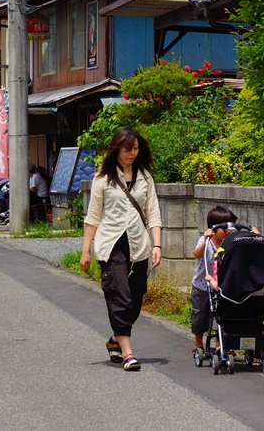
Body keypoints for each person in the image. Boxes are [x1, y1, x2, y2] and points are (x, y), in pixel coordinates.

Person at [80, 127, 162, 372]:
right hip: (111, 244)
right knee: (120, 295)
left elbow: (153, 212)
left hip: (139, 245)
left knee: (136, 298)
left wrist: (157, 244)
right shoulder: (102, 179)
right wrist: (86, 251)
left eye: (135, 148)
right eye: (127, 149)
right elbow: (92, 217)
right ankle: (128, 353)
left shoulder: (145, 177)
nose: (132, 153)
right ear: (116, 149)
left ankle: (116, 339)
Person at [190, 205, 237, 363]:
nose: (228, 231)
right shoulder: (206, 241)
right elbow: (196, 254)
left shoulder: (229, 243)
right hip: (202, 286)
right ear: (214, 228)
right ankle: (198, 344)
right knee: (200, 316)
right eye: (225, 228)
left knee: (221, 316)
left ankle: (219, 344)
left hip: (220, 286)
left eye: (230, 227)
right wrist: (205, 239)